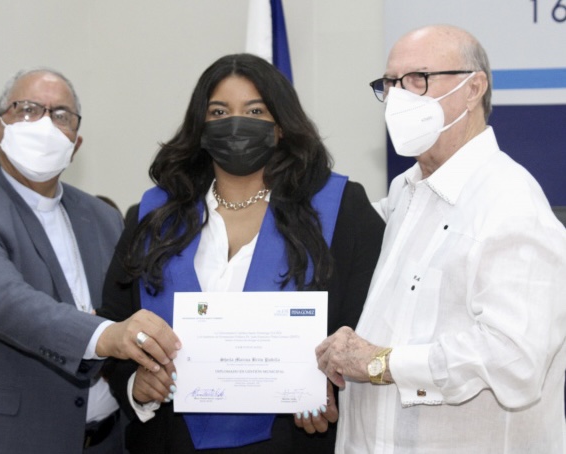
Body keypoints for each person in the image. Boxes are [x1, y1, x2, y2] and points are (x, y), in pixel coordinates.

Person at [97, 53, 385, 453]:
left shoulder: (340, 208)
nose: (236, 124)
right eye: (219, 112)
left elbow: (375, 321)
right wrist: (135, 385)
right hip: (168, 440)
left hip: (296, 440)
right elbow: (114, 322)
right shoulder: (154, 215)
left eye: (255, 111)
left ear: (281, 125)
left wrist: (333, 382)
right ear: (200, 128)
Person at [315, 24, 566, 453]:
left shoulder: (511, 204)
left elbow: (515, 360)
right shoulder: (404, 193)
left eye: (419, 79)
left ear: (474, 89)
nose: (399, 97)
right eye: (391, 83)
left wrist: (381, 363)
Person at [0, 68, 181, 454]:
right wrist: (107, 336)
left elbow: (126, 307)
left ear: (75, 143)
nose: (45, 124)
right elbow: (7, 303)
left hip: (106, 441)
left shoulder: (104, 218)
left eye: (61, 115)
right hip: (6, 442)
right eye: (28, 109)